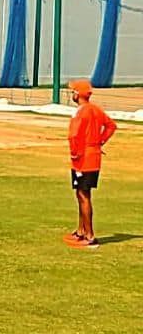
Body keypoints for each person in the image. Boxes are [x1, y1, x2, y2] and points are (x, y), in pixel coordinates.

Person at [65, 79, 118, 247]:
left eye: (73, 91)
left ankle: (89, 235)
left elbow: (74, 135)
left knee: (83, 195)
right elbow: (111, 126)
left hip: (83, 158)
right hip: (93, 155)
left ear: (78, 94)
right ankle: (81, 230)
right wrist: (100, 142)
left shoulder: (81, 112)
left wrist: (75, 153)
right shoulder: (95, 109)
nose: (71, 94)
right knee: (82, 193)